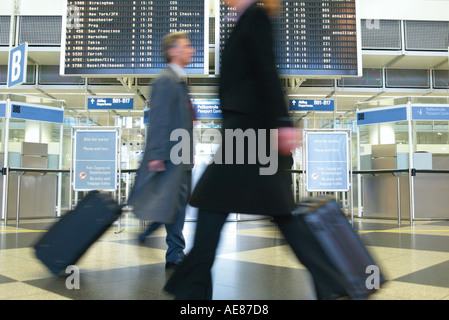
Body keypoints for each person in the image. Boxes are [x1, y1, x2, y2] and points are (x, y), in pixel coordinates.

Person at [164, 0, 348, 299]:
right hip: (247, 135)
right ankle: (332, 283)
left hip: (252, 137)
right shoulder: (242, 20)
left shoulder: (256, 16)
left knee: (225, 206)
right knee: (273, 214)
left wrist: (283, 122)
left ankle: (191, 290)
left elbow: (267, 69)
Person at [130, 32, 195, 269]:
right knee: (173, 203)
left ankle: (156, 238)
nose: (192, 50)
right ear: (173, 51)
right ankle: (174, 252)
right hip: (170, 157)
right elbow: (158, 120)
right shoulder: (165, 80)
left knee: (176, 203)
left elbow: (182, 121)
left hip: (181, 156)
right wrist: (157, 155)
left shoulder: (179, 81)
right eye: (186, 46)